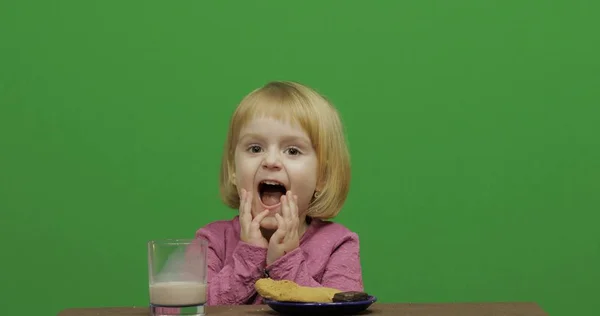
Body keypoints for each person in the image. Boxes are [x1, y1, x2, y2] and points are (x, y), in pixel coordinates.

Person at [195, 81, 363, 305]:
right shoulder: (211, 242)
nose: (271, 161)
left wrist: (287, 264)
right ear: (233, 170)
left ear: (322, 175)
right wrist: (247, 259)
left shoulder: (339, 244)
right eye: (255, 148)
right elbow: (189, 308)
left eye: (292, 150)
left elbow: (342, 307)